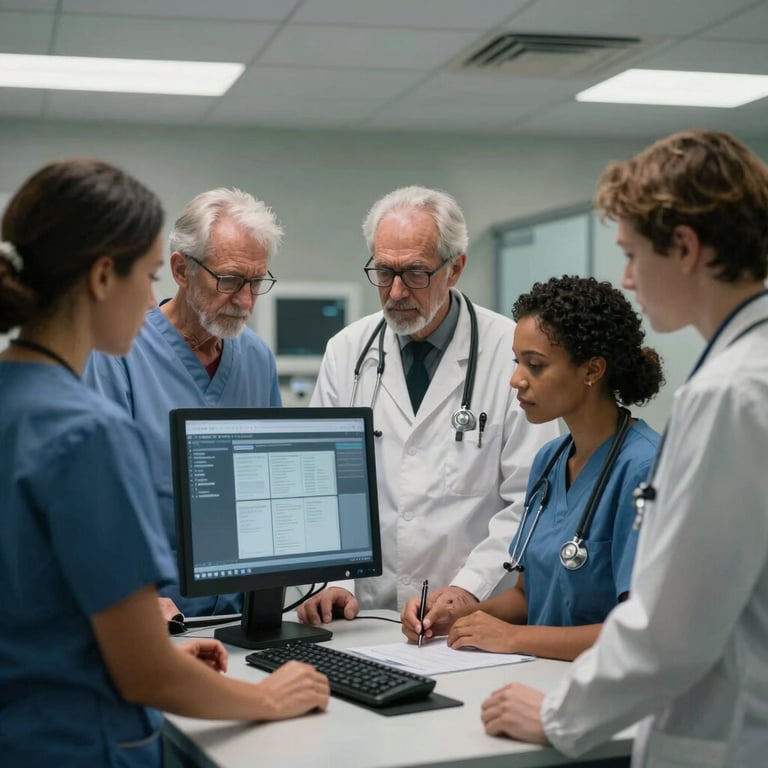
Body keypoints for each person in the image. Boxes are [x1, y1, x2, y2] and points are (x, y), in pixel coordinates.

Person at [0, 159, 328, 768]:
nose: (153, 299)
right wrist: (268, 698)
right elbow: (145, 675)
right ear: (104, 277)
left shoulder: (15, 397)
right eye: (151, 275)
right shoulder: (85, 430)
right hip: (79, 737)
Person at [479, 130, 768, 767]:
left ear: (685, 248)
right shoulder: (747, 372)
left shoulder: (731, 392)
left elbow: (671, 625)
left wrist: (557, 717)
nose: (629, 279)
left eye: (633, 254)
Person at [297, 185, 558, 624]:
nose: (396, 291)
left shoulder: (510, 352)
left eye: (416, 273)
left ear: (455, 268)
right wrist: (334, 581)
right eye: (384, 272)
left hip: (473, 616)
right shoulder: (347, 351)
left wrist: (467, 588)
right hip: (363, 614)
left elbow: (531, 500)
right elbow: (319, 483)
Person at [402, 275, 662, 661]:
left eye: (535, 365)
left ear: (592, 370)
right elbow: (527, 596)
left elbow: (641, 631)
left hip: (603, 684)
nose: (515, 380)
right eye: (517, 361)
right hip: (535, 675)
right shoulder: (550, 460)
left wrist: (513, 639)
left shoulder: (645, 469)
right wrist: (455, 616)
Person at [85, 187, 282, 618]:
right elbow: (96, 503)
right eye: (230, 280)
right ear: (181, 269)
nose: (246, 301)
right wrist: (132, 598)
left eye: (256, 282)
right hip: (152, 612)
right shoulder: (118, 354)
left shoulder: (256, 359)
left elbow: (271, 489)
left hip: (239, 613)